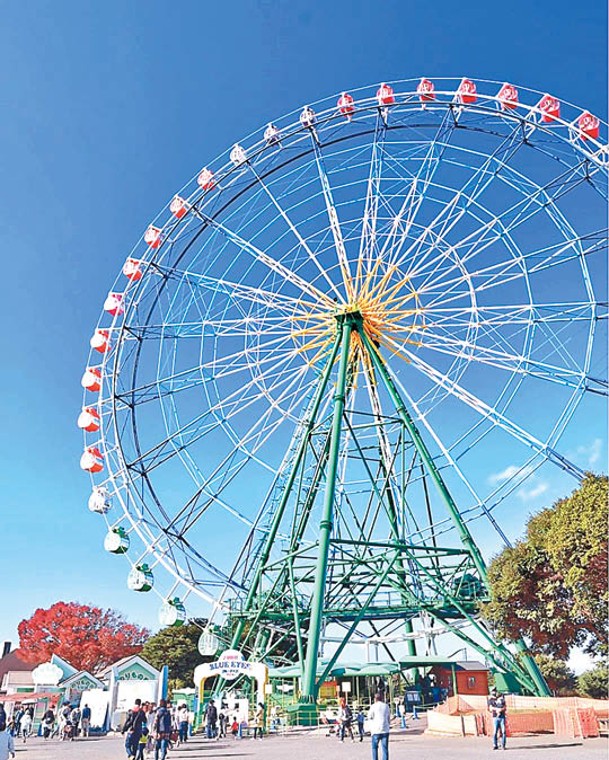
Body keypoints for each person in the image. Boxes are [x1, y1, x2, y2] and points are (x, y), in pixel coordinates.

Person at [367, 692, 390, 760]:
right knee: (385, 749)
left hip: (375, 730)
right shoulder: (386, 706)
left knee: (374, 748)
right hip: (385, 729)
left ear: (375, 699)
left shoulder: (373, 706)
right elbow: (388, 717)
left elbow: (369, 716)